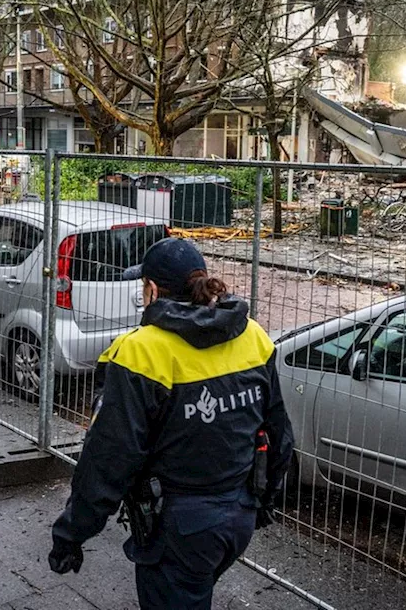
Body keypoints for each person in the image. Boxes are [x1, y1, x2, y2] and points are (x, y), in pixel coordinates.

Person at [48, 238, 295, 610]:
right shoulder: (252, 335)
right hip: (238, 515)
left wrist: (72, 533)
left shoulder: (141, 351)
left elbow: (109, 458)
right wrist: (263, 502)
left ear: (150, 290)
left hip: (179, 527)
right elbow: (280, 434)